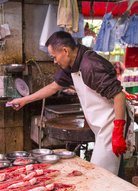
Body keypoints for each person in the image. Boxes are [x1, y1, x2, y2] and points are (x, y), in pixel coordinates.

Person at [8, 31, 132, 179]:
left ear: (65, 51)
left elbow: (119, 95)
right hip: (102, 122)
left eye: (54, 57)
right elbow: (53, 87)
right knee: (113, 170)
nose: (54, 61)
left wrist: (118, 130)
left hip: (113, 121)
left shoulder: (91, 65)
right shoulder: (72, 64)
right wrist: (24, 100)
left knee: (102, 174)